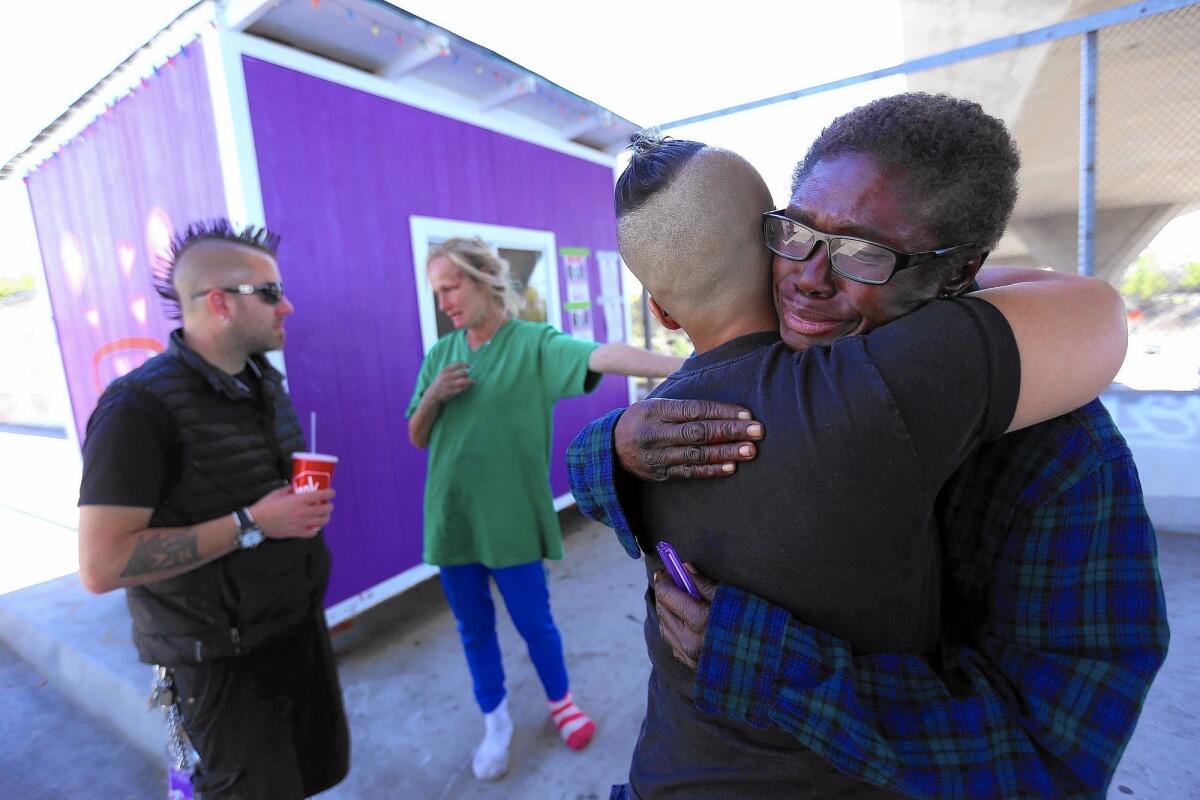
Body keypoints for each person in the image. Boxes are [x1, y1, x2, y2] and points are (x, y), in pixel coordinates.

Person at [570, 94, 1168, 799]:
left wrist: (771, 665)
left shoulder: (1065, 457)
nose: (808, 277)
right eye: (794, 232)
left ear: (956, 274)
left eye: (864, 253)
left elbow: (1055, 758)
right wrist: (613, 445)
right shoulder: (741, 392)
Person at [77, 220, 349, 799]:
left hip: (296, 631)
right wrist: (252, 522)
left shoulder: (264, 385)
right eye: (271, 293)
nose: (288, 307)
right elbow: (101, 565)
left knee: (311, 777)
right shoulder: (136, 409)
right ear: (220, 303)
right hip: (219, 664)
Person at [406, 237, 682, 782]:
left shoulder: (531, 344)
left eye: (451, 286)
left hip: (510, 521)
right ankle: (495, 721)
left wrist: (686, 364)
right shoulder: (440, 355)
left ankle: (561, 702)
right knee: (472, 628)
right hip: (451, 520)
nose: (445, 303)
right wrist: (435, 393)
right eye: (436, 293)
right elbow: (416, 435)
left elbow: (598, 355)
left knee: (536, 623)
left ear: (485, 277)